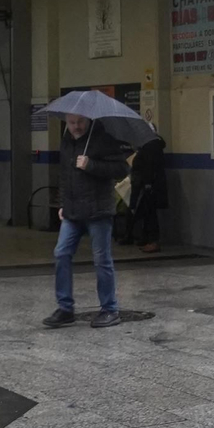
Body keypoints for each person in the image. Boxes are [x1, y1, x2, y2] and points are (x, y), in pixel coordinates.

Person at [42, 113, 129, 329]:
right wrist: (62, 203)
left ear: (88, 120)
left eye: (80, 122)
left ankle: (109, 309)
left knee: (102, 260)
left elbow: (121, 169)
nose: (76, 127)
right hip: (72, 211)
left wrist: (91, 165)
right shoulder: (66, 140)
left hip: (98, 210)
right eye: (71, 123)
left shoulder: (104, 138)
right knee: (61, 253)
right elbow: (65, 174)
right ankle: (65, 308)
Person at [128, 135, 167, 253]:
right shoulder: (152, 145)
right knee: (147, 212)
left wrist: (147, 183)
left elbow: (148, 166)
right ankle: (147, 238)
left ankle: (153, 241)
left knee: (150, 213)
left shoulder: (150, 147)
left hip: (149, 185)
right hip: (149, 184)